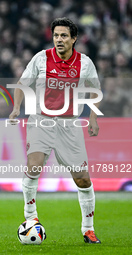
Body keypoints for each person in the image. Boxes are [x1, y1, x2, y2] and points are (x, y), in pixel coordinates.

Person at [9, 18, 101, 244]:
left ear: (74, 39)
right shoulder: (41, 58)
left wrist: (92, 118)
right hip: (41, 120)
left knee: (82, 180)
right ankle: (31, 218)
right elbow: (22, 83)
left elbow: (94, 91)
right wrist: (16, 108)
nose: (59, 40)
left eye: (64, 36)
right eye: (56, 35)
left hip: (70, 124)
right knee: (34, 166)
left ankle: (88, 229)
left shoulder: (85, 63)